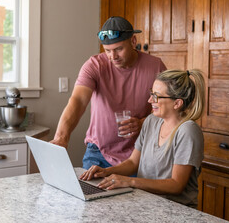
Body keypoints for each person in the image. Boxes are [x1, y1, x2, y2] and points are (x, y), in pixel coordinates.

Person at [51, 16, 166, 169]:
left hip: (140, 153)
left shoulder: (155, 67)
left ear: (133, 41)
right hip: (98, 152)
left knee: (136, 194)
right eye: (108, 51)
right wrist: (61, 138)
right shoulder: (94, 65)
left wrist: (142, 123)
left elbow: (168, 108)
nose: (113, 57)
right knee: (89, 193)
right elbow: (78, 101)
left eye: (119, 49)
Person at [80, 69, 206, 208]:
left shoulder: (188, 131)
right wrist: (107, 171)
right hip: (147, 202)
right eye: (151, 93)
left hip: (176, 209)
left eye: (156, 96)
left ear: (177, 103)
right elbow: (133, 162)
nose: (150, 100)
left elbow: (176, 185)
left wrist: (130, 181)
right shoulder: (151, 121)